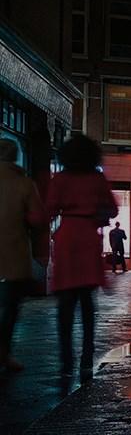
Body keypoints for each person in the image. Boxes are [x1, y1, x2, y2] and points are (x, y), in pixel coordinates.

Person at [47, 135, 117, 379]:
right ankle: (87, 356)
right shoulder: (97, 179)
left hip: (67, 236)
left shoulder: (61, 179)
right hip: (88, 236)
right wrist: (96, 214)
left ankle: (66, 358)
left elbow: (49, 208)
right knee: (87, 301)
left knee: (65, 303)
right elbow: (112, 207)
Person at [0, 138, 46, 373]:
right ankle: (4, 354)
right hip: (12, 253)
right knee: (9, 307)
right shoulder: (24, 183)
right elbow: (38, 219)